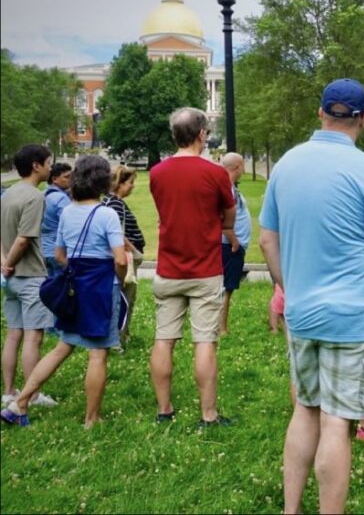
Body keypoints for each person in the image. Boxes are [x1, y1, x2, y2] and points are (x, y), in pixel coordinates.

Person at [259, 78, 364, 514]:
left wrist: (291, 288)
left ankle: (291, 510)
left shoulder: (285, 165)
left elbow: (269, 241)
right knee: (337, 422)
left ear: (320, 113)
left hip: (303, 315)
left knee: (305, 410)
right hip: (353, 318)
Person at [1, 155, 127, 428]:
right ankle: (92, 418)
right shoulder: (107, 214)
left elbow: (59, 255)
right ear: (103, 180)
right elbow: (120, 259)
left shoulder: (68, 211)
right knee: (98, 352)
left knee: (61, 347)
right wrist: (121, 279)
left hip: (74, 286)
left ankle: (19, 402)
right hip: (101, 288)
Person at [149, 107, 236, 427]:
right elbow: (229, 217)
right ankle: (208, 414)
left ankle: (164, 410)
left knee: (164, 338)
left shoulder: (157, 173)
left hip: (168, 268)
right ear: (201, 134)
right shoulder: (215, 173)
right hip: (205, 270)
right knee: (205, 342)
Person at [1, 144, 58, 409]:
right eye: (48, 162)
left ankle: (9, 390)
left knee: (14, 335)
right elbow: (24, 239)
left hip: (10, 280)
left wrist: (3, 264)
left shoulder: (8, 194)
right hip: (30, 276)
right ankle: (31, 395)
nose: (51, 167)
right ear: (36, 165)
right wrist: (9, 263)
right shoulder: (35, 197)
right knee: (33, 337)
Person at [104, 165, 146, 350]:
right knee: (125, 299)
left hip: (125, 256)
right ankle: (118, 339)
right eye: (130, 182)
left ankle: (123, 334)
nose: (132, 186)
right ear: (119, 184)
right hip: (126, 258)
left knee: (124, 298)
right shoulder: (115, 203)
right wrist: (134, 252)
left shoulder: (111, 201)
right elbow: (118, 234)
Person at [220, 152, 252, 335]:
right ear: (237, 167)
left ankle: (221, 326)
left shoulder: (230, 187)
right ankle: (221, 328)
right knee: (227, 288)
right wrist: (234, 242)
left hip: (233, 245)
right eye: (243, 164)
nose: (244, 169)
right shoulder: (227, 188)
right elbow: (223, 219)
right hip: (228, 246)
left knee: (228, 287)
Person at [41, 162, 73, 277]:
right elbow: (70, 224)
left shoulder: (43, 194)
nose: (71, 179)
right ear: (55, 179)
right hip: (57, 251)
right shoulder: (61, 198)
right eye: (67, 177)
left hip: (42, 249)